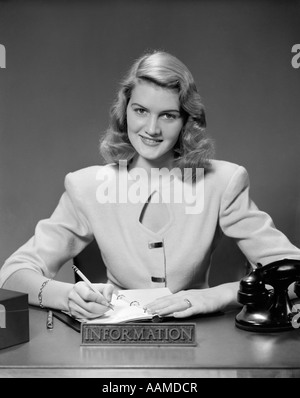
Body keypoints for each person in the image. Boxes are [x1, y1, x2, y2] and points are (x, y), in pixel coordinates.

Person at [1, 50, 300, 320]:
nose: (152, 129)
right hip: (114, 348)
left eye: (168, 115)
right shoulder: (86, 186)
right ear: (125, 110)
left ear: (186, 120)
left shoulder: (224, 182)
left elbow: (295, 272)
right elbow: (12, 274)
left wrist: (213, 296)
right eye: (141, 111)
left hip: (206, 344)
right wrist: (67, 297)